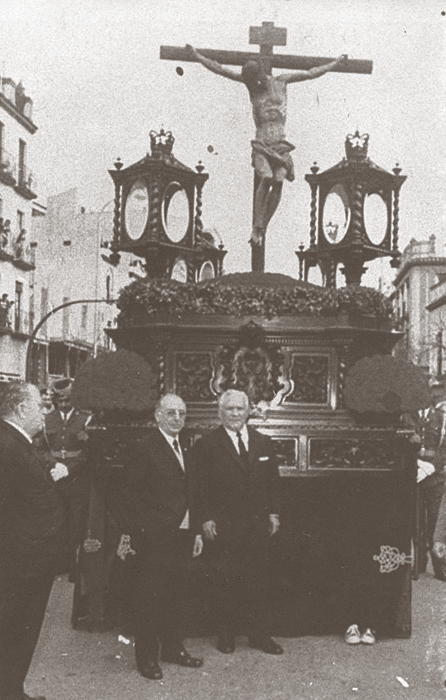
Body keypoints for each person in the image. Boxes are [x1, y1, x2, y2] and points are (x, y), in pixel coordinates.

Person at [187, 44, 348, 244]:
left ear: (261, 75)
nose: (254, 85)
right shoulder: (251, 87)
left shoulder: (281, 81)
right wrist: (196, 55)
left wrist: (335, 63)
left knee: (279, 180)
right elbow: (220, 69)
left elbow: (310, 73)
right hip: (262, 144)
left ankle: (263, 226)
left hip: (281, 144)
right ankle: (257, 225)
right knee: (266, 177)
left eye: (255, 81)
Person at [110, 393, 204, 680]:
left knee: (176, 597)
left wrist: (195, 530)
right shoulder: (144, 448)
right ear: (157, 416)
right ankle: (147, 658)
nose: (177, 419)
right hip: (155, 540)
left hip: (182, 537)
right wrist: (148, 531)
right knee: (149, 599)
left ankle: (173, 649)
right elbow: (128, 497)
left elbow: (190, 494)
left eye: (182, 414)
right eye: (171, 413)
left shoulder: (184, 447)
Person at [193, 388, 282, 654]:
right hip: (225, 526)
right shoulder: (207, 444)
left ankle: (260, 636)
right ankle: (226, 635)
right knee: (226, 581)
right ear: (220, 413)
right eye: (229, 409)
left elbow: (273, 482)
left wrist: (274, 513)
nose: (235, 414)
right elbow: (198, 487)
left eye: (239, 409)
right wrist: (205, 518)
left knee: (259, 581)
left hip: (257, 525)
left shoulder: (263, 442)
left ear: (248, 412)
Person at [0, 381, 65, 700]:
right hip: (20, 564)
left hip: (27, 561)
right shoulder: (7, 444)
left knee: (17, 633)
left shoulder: (19, 441)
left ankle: (12, 691)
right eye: (40, 405)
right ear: (21, 408)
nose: (44, 411)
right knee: (14, 631)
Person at [41, 378, 91, 584]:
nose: (63, 404)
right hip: (54, 480)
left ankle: (73, 572)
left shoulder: (86, 419)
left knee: (75, 527)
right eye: (59, 399)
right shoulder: (47, 419)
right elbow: (42, 448)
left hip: (76, 482)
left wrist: (68, 469)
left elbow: (88, 452)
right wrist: (54, 465)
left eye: (67, 399)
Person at [416, 380, 446, 580]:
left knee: (435, 522)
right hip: (416, 475)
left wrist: (432, 466)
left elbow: (444, 447)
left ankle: (439, 564)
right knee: (417, 521)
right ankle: (418, 563)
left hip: (435, 478)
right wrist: (417, 465)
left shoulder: (441, 418)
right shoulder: (408, 417)